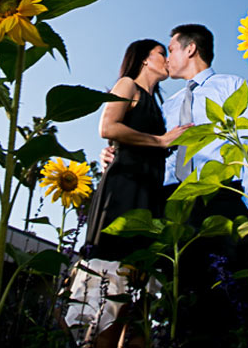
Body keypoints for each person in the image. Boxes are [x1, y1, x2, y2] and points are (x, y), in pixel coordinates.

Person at [102, 24, 248, 345]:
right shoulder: (166, 106)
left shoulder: (232, 86)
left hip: (222, 197)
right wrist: (114, 153)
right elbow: (151, 146)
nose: (167, 58)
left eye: (170, 49)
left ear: (190, 49)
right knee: (182, 303)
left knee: (229, 303)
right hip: (172, 204)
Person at [67, 39, 190, 348]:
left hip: (148, 196)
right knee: (110, 303)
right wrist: (161, 142)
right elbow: (108, 126)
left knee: (137, 311)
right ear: (144, 60)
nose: (166, 59)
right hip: (123, 194)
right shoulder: (127, 85)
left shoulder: (156, 104)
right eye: (161, 53)